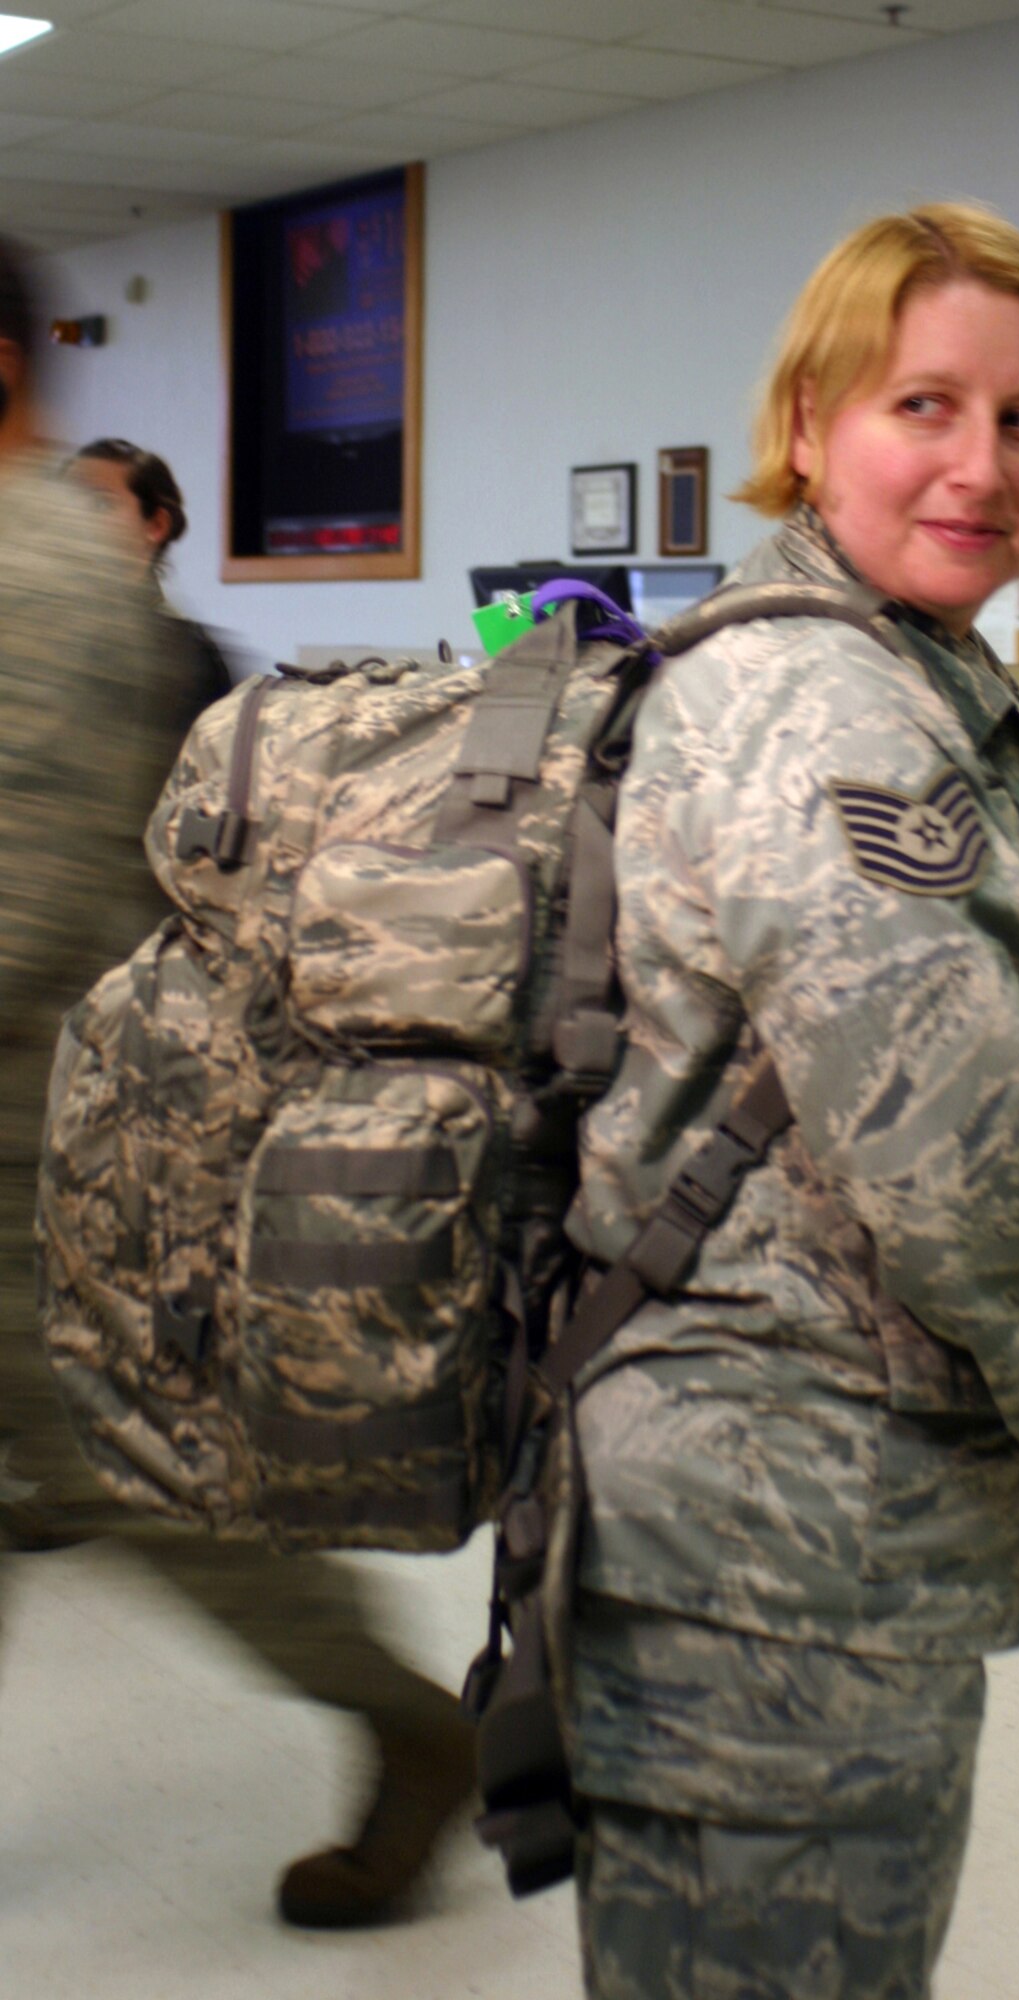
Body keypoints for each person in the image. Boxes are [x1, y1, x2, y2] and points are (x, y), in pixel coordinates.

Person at [560, 205, 1019, 2000]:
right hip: (774, 1543)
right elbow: (958, 1142)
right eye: (920, 405)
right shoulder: (819, 703)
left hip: (783, 1523)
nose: (981, 467)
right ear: (806, 424)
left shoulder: (895, 664)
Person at [0, 239, 474, 1931]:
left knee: (124, 1475)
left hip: (36, 1138)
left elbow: (23, 907)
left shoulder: (41, 575)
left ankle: (409, 1723)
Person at [71, 436, 236, 747]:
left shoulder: (189, 657)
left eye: (100, 503)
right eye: (64, 504)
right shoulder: (35, 629)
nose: (73, 520)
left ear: (156, 525)